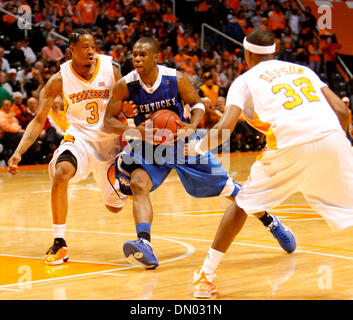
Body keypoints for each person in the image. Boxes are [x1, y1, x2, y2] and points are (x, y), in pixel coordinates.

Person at [185, 28, 353, 298]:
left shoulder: (244, 80)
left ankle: (206, 275)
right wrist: (342, 145)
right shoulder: (303, 70)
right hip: (333, 137)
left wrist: (197, 147)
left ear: (247, 53)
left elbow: (225, 128)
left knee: (243, 204)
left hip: (290, 144)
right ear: (274, 52)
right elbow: (343, 111)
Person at [103, 36, 295, 270]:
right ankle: (144, 242)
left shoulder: (176, 78)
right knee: (138, 183)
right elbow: (108, 121)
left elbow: (197, 104)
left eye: (142, 55)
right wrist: (133, 129)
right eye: (134, 54)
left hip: (182, 143)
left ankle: (270, 221)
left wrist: (192, 126)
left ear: (156, 57)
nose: (137, 59)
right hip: (148, 145)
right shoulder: (125, 84)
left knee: (229, 189)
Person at [8, 29, 128, 266]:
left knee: (114, 207)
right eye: (85, 46)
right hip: (79, 139)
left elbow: (125, 105)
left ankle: (117, 188)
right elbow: (38, 119)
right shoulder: (59, 79)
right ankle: (59, 242)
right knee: (62, 173)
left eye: (93, 45)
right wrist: (18, 151)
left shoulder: (111, 69)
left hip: (109, 143)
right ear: (71, 50)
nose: (91, 51)